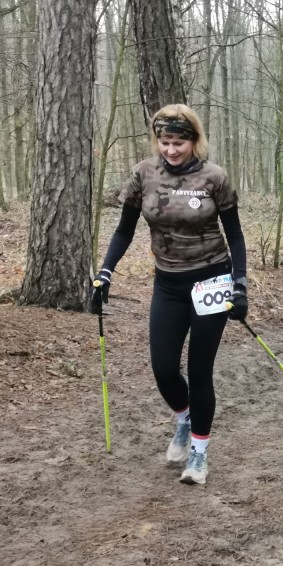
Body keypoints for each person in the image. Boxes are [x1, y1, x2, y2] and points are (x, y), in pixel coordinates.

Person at [89, 104, 248, 486]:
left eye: (179, 142)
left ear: (194, 140)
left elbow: (236, 236)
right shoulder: (144, 174)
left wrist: (239, 285)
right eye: (165, 142)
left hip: (211, 280)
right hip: (169, 282)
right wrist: (105, 272)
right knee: (163, 368)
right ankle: (184, 419)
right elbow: (124, 230)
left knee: (199, 371)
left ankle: (199, 454)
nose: (171, 150)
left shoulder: (214, 177)